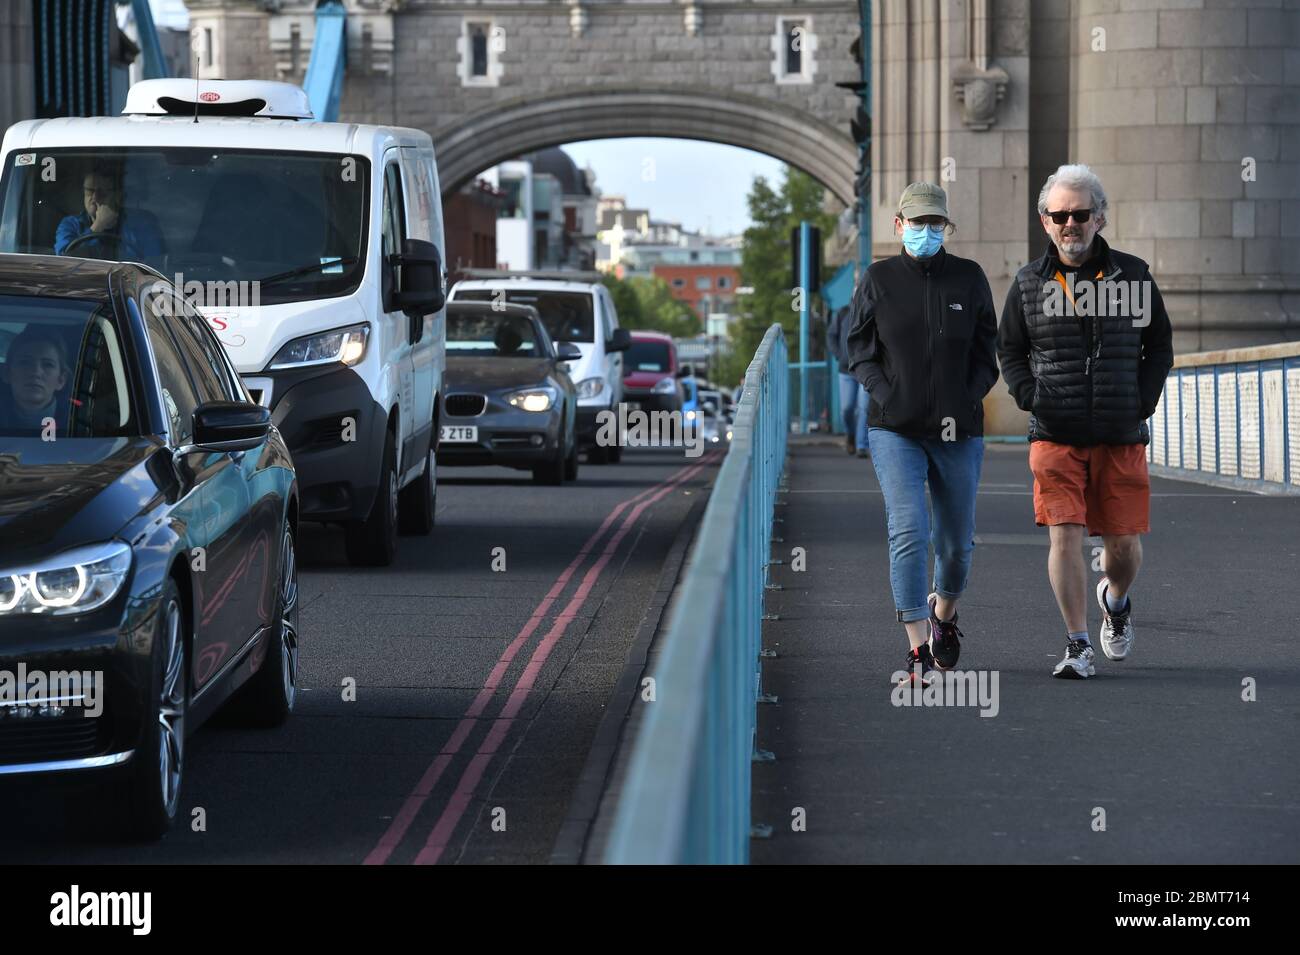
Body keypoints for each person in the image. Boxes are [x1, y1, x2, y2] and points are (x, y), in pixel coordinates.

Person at [997, 163, 1174, 679]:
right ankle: (1077, 644)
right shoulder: (1029, 283)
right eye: (1058, 215)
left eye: (1079, 214)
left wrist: (1143, 399)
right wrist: (1031, 396)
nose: (1069, 224)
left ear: (1100, 218)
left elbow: (1158, 345)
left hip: (1120, 432)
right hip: (1055, 433)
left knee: (1122, 548)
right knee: (1065, 536)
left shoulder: (1133, 275)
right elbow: (1010, 348)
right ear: (1045, 221)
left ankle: (1115, 601)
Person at [847, 182, 999, 686]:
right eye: (917, 223)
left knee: (956, 542)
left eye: (935, 224)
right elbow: (859, 350)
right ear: (898, 226)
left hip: (958, 430)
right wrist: (887, 394)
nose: (926, 232)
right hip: (895, 429)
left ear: (946, 228)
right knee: (909, 528)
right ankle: (916, 644)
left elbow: (987, 354)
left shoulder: (970, 279)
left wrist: (968, 396)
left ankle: (944, 616)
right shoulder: (878, 279)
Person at [54, 166, 164, 261]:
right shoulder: (70, 224)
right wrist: (98, 225)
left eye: (103, 192)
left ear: (118, 195)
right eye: (90, 190)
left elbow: (154, 263)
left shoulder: (143, 222)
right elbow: (64, 260)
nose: (95, 197)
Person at [0, 326, 71, 434]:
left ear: (61, 380)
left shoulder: (80, 420)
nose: (36, 372)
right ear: (6, 373)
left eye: (48, 365)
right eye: (25, 362)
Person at [826, 304, 869, 455]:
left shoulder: (873, 308)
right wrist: (839, 355)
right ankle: (850, 435)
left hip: (866, 369)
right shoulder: (843, 312)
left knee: (864, 408)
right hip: (845, 370)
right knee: (847, 409)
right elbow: (831, 335)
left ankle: (861, 445)